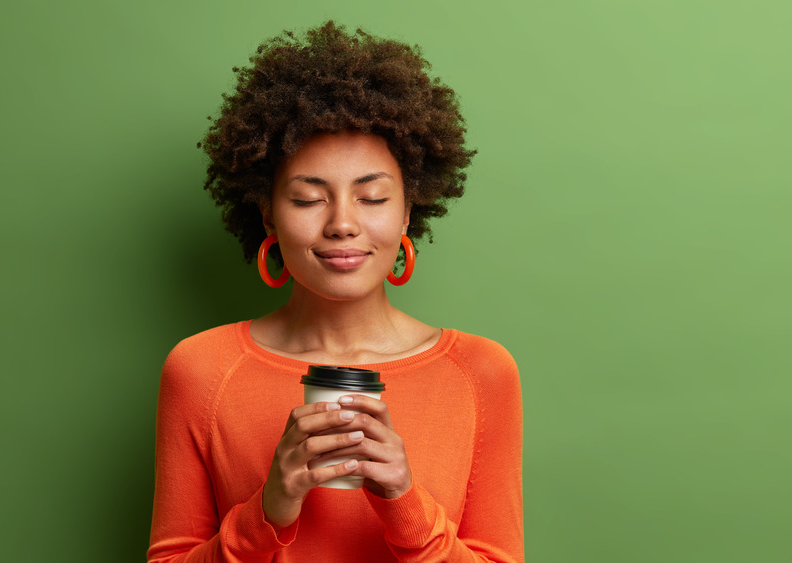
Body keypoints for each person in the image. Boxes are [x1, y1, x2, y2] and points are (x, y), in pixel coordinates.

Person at [148, 21, 523, 563]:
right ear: (267, 213)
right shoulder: (199, 368)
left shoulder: (483, 372)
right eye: (307, 199)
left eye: (372, 197)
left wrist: (403, 502)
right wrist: (268, 510)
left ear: (408, 212)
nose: (342, 224)